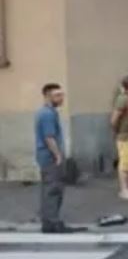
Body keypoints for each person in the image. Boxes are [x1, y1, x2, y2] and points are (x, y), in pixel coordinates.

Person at [35, 84, 78, 234]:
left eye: (61, 95)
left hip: (47, 156)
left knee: (50, 189)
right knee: (53, 189)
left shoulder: (48, 112)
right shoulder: (47, 114)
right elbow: (49, 137)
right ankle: (52, 222)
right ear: (47, 96)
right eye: (57, 95)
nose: (61, 98)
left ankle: (48, 221)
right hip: (50, 157)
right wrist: (58, 155)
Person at [110, 77, 128, 200]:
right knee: (125, 164)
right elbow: (114, 119)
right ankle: (124, 189)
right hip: (124, 135)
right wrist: (116, 131)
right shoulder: (123, 98)